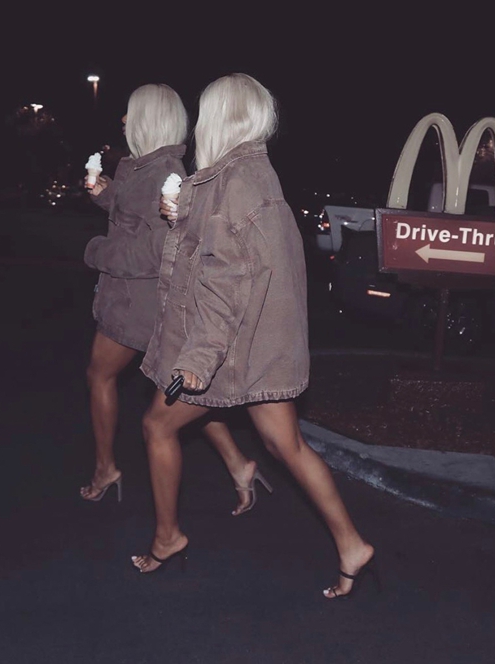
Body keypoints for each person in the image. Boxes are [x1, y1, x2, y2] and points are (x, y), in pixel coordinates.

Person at [133, 74, 375, 599]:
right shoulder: (252, 174)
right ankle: (352, 544)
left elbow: (226, 280)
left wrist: (197, 359)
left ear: (219, 118)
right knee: (285, 444)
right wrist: (185, 213)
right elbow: (235, 248)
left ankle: (168, 537)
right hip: (265, 341)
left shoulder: (235, 183)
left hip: (233, 345)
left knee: (157, 425)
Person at [80, 83, 265, 517]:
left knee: (100, 376)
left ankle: (106, 469)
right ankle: (239, 465)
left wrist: (97, 252)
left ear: (148, 119)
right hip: (142, 300)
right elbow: (134, 217)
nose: (123, 119)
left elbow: (156, 250)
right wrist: (105, 194)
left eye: (131, 112)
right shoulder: (145, 167)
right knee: (178, 391)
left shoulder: (166, 173)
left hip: (138, 304)